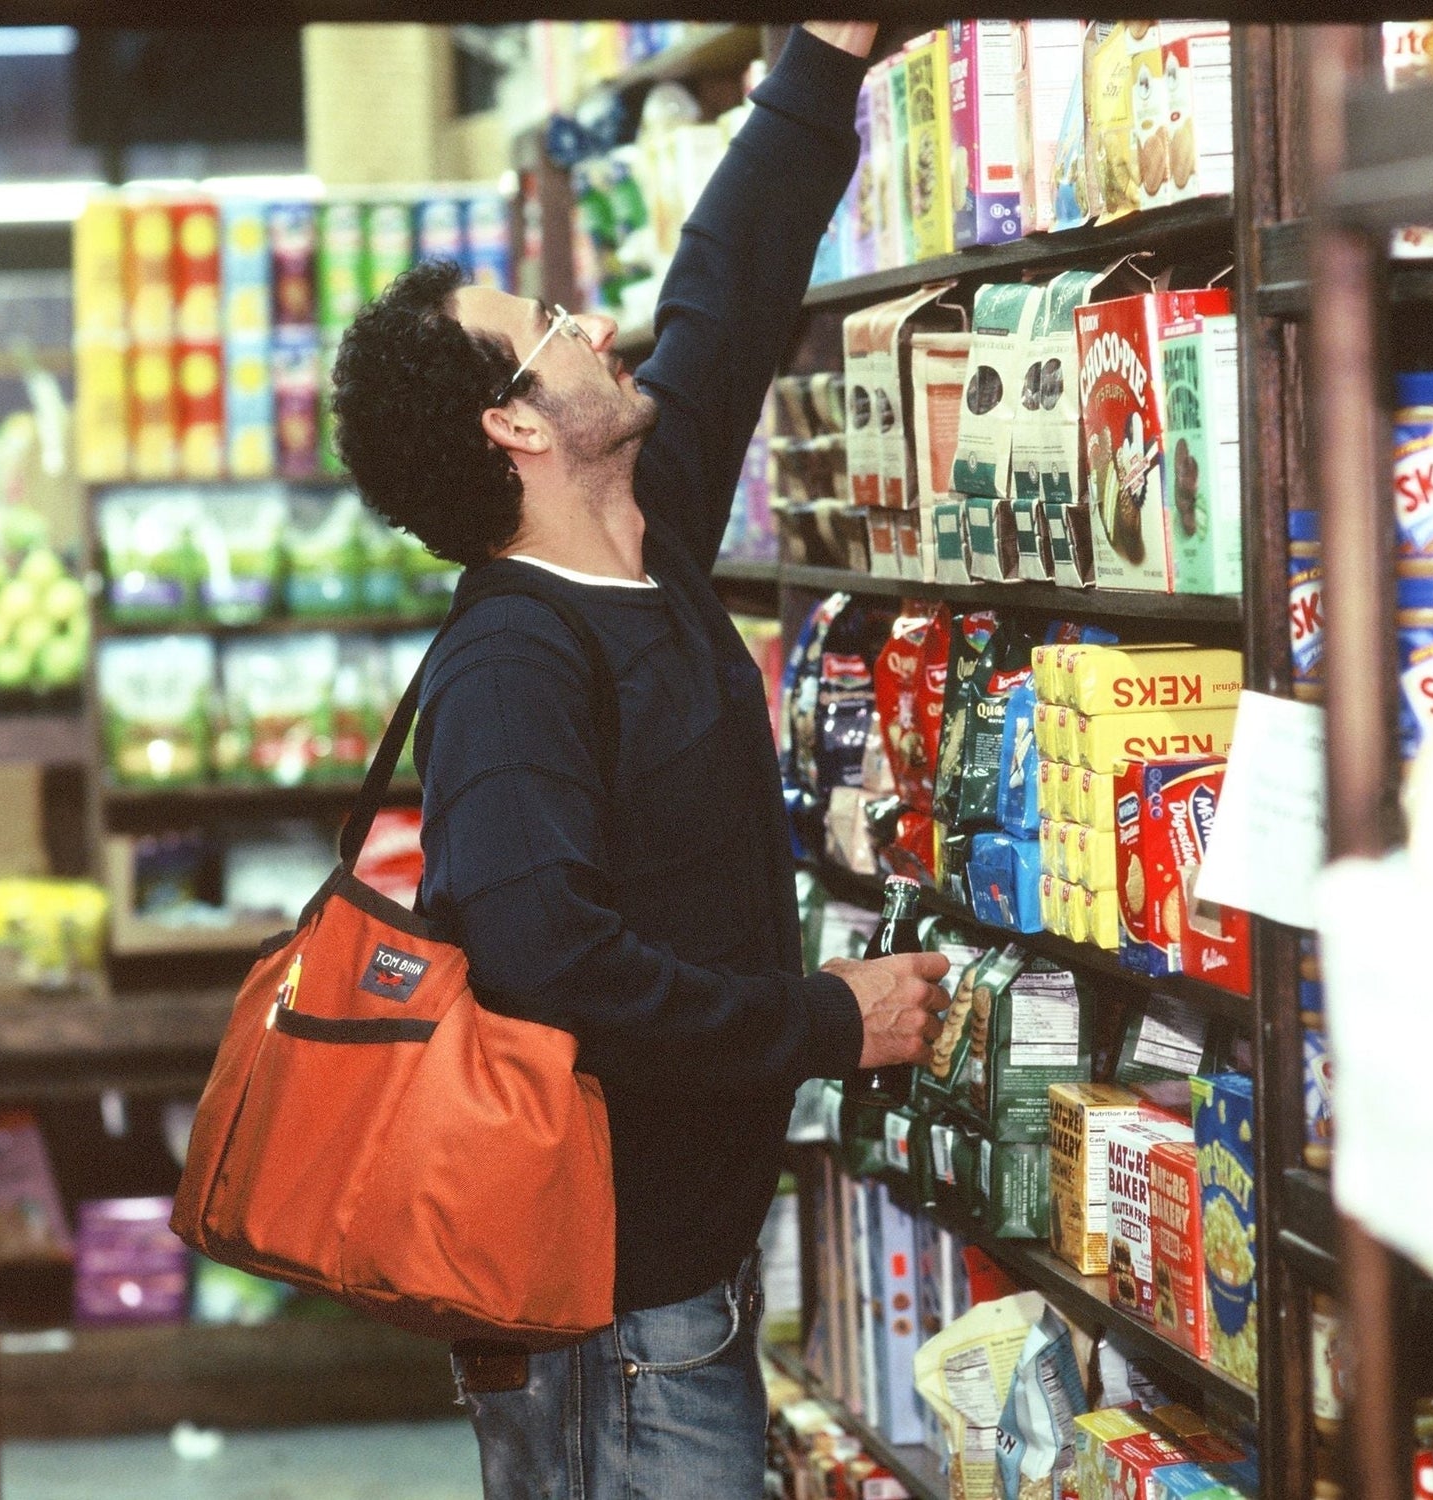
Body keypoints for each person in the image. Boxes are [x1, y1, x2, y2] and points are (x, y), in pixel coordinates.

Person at [329, 21, 946, 1498]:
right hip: (608, 1316)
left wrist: (821, 55)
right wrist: (820, 1020)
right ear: (515, 424)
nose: (596, 329)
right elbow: (547, 961)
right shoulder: (513, 667)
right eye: (556, 331)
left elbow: (723, 298)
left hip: (672, 1281)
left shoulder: (645, 532)